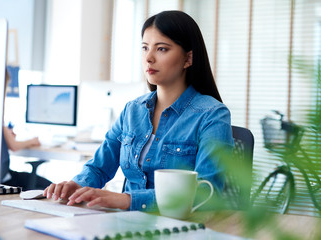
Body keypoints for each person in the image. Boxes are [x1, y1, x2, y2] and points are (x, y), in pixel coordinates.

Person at [44, 10, 234, 211]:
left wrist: (127, 200)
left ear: (188, 58)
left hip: (178, 225)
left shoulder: (212, 115)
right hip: (126, 222)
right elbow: (99, 167)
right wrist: (78, 185)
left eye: (161, 49)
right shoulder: (132, 111)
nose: (149, 58)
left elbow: (207, 193)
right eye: (145, 48)